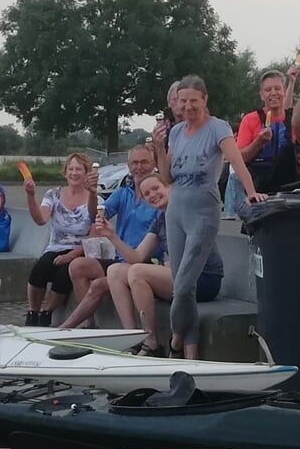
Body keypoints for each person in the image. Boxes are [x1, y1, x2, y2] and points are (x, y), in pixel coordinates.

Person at [152, 74, 266, 356]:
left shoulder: (217, 128)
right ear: (176, 103)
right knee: (183, 286)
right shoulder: (176, 132)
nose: (188, 106)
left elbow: (237, 162)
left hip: (203, 208)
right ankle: (186, 350)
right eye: (183, 101)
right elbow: (167, 178)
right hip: (176, 208)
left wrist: (251, 192)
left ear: (204, 100)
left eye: (194, 100)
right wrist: (158, 148)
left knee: (183, 283)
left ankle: (174, 336)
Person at [90, 174, 224, 358]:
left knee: (138, 272)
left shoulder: (187, 212)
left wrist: (167, 267)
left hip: (203, 278)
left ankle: (151, 342)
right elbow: (137, 256)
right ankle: (133, 338)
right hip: (177, 275)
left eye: (156, 188)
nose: (152, 195)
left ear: (169, 189)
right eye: (146, 193)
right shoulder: (161, 220)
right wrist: (111, 236)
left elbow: (194, 255)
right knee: (115, 271)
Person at [59, 143, 161, 328]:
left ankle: (66, 328)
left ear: (153, 163)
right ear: (128, 166)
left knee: (98, 285)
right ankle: (88, 325)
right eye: (135, 163)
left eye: (144, 162)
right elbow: (95, 215)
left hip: (146, 262)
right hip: (120, 259)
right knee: (78, 265)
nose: (139, 167)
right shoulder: (123, 193)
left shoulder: (157, 197)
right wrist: (92, 193)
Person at [21, 153, 102, 326]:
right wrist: (30, 195)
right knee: (39, 271)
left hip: (81, 249)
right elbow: (40, 219)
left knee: (63, 276)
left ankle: (46, 313)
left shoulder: (96, 199)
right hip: (56, 247)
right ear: (65, 173)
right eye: (70, 169)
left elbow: (94, 236)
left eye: (79, 169)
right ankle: (32, 312)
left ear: (87, 173)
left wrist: (70, 256)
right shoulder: (53, 195)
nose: (74, 173)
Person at [236, 67, 299, 197]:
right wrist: (258, 142)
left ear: (284, 91)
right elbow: (239, 159)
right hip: (260, 189)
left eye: (277, 88)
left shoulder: (294, 120)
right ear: (261, 94)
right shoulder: (250, 119)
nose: (273, 93)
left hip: (291, 189)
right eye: (268, 90)